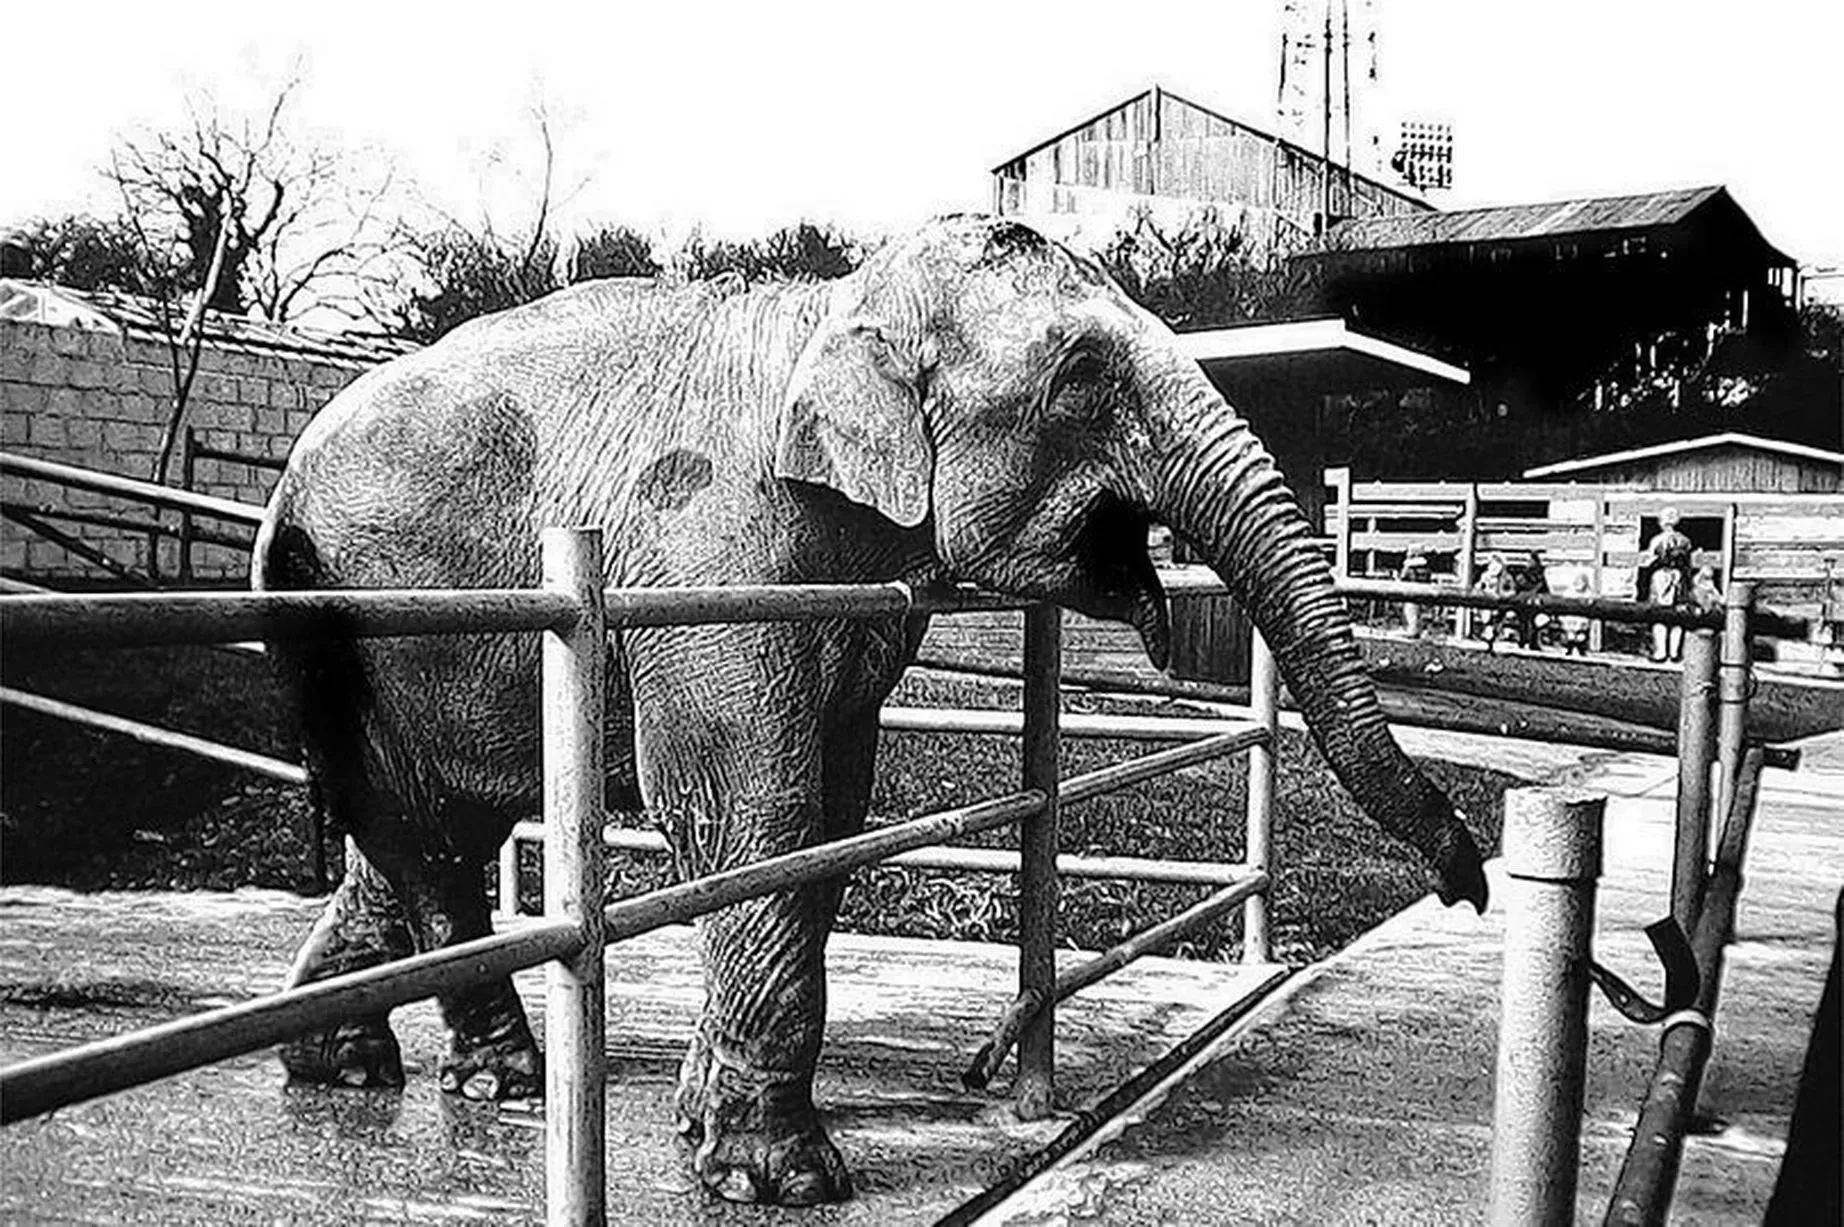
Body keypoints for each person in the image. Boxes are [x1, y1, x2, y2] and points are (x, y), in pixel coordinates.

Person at [1640, 508, 1693, 662]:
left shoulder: (1657, 540)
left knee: (1659, 613)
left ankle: (1661, 651)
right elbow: (1688, 561)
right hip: (1678, 576)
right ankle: (1674, 651)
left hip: (1661, 576)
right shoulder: (1684, 541)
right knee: (1677, 614)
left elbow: (1649, 560)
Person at [1556, 572, 1593, 656]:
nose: (1579, 584)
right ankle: (1569, 648)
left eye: (1582, 582)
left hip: (1581, 618)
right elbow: (1564, 603)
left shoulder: (1588, 593)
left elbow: (1589, 603)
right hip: (1570, 618)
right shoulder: (1570, 591)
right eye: (1578, 582)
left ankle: (1581, 649)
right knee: (1570, 634)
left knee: (1580, 636)